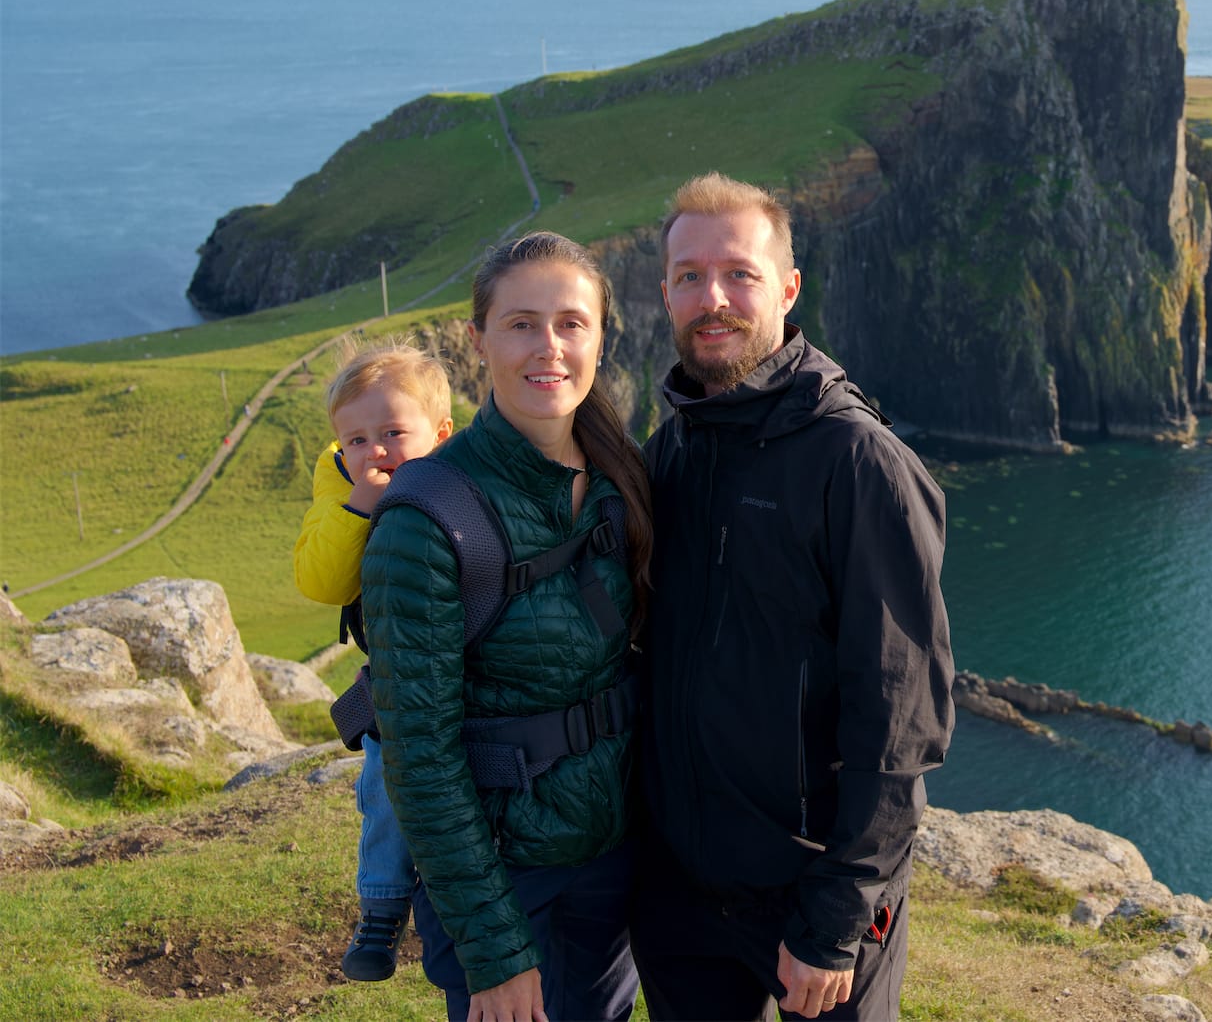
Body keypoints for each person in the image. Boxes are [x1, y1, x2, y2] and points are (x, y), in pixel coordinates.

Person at [631, 173, 954, 1021]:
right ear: (664, 291)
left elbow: (903, 718)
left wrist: (838, 917)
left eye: (739, 272)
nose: (715, 298)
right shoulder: (674, 449)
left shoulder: (858, 462)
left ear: (787, 285)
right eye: (691, 276)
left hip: (814, 900)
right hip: (680, 896)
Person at [361, 231, 652, 1022]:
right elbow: (419, 757)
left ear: (600, 336)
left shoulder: (621, 474)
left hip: (612, 867)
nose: (548, 347)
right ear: (476, 339)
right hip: (508, 879)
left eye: (570, 323)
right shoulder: (427, 521)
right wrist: (493, 947)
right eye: (522, 323)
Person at [292, 337, 453, 982]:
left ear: (440, 434)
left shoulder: (464, 481)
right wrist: (357, 506)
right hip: (393, 686)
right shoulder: (340, 491)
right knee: (385, 793)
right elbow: (321, 581)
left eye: (392, 431)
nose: (374, 452)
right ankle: (381, 913)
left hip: (462, 675)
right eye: (356, 440)